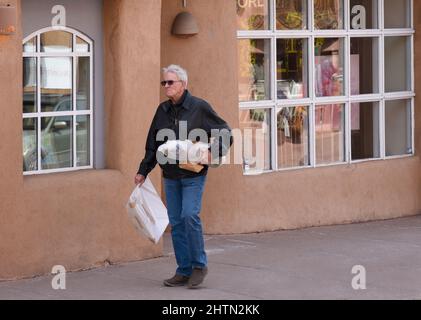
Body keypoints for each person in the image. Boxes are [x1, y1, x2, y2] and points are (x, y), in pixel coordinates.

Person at [134, 65, 232, 289]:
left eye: (171, 82)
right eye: (164, 83)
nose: (166, 86)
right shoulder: (162, 111)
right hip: (170, 175)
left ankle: (199, 266)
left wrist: (213, 152)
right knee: (177, 222)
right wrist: (143, 170)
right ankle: (184, 270)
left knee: (189, 215)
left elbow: (225, 131)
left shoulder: (199, 107)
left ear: (183, 84)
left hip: (192, 175)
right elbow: (153, 144)